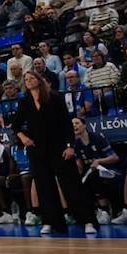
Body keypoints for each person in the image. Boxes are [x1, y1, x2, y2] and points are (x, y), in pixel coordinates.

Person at [11, 70, 91, 236]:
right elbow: (16, 125)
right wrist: (23, 137)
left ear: (39, 80)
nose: (29, 81)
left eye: (32, 78)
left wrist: (70, 146)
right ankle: (50, 221)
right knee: (44, 187)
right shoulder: (25, 101)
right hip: (37, 149)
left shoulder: (54, 97)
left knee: (71, 185)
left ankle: (87, 220)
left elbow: (67, 125)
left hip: (59, 148)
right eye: (26, 79)